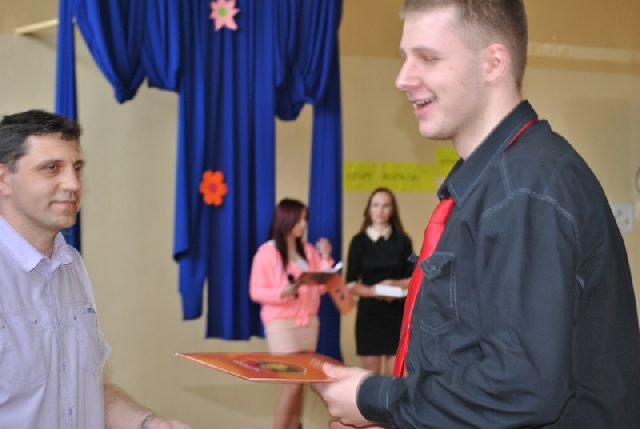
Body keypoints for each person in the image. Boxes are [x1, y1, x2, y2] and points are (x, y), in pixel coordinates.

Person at [314, 1, 640, 428]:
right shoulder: (490, 184)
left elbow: (519, 391)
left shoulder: (524, 190)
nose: (402, 78)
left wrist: (373, 397)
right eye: (405, 57)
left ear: (493, 63)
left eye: (428, 58)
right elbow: (469, 361)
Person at [0, 110, 191, 429]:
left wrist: (149, 424)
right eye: (51, 168)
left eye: (77, 168)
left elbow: (83, 389)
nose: (73, 184)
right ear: (4, 179)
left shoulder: (71, 265)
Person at [249, 198, 334, 429]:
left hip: (308, 323)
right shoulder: (267, 252)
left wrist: (326, 257)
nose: (303, 224)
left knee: (300, 382)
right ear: (286, 220)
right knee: (292, 382)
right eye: (299, 219)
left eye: (305, 219)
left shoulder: (308, 251)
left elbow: (322, 286)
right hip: (282, 324)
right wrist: (282, 292)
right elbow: (255, 291)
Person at [346, 187, 413, 375]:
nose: (380, 210)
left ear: (392, 210)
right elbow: (351, 283)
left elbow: (413, 279)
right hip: (369, 314)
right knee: (371, 377)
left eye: (385, 206)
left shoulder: (403, 241)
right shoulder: (358, 242)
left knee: (394, 377)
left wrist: (394, 284)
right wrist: (374, 291)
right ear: (368, 209)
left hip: (396, 313)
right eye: (375, 205)